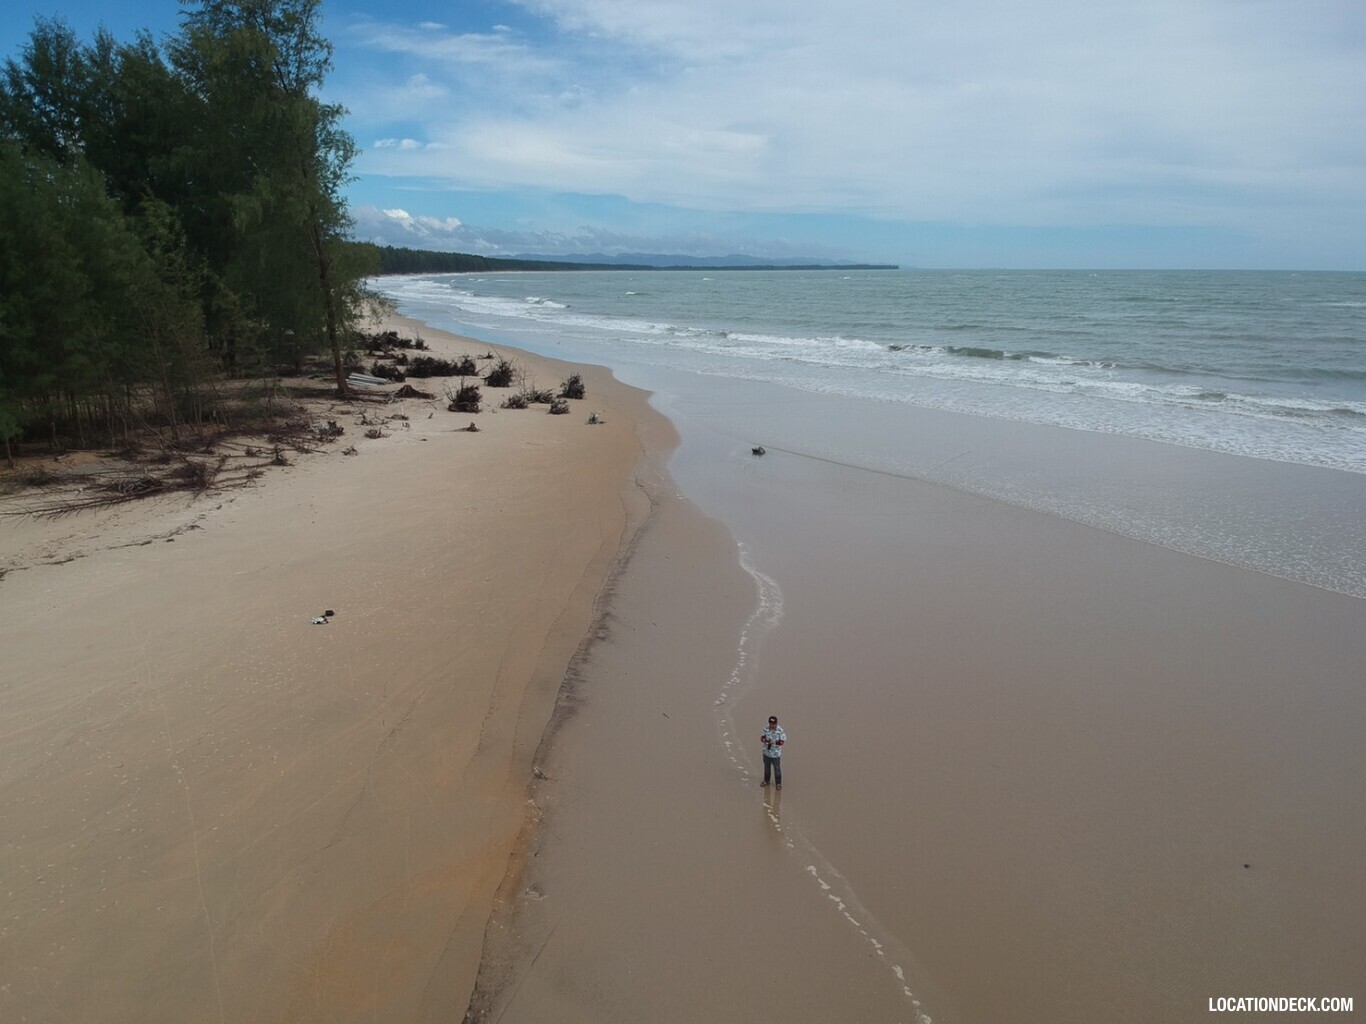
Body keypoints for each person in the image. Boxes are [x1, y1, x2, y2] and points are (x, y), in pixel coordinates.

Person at [760, 715, 786, 789]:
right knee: (766, 768)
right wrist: (767, 741)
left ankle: (778, 784)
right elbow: (762, 738)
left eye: (773, 724)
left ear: (776, 723)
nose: (772, 725)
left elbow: (782, 742)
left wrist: (774, 742)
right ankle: (766, 781)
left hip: (776, 754)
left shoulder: (780, 731)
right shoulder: (765, 728)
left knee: (777, 768)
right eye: (771, 724)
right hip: (766, 752)